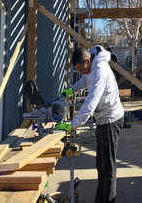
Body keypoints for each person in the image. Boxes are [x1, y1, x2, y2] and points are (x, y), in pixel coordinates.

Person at [56, 45, 124, 203]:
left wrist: (72, 125)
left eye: (81, 69)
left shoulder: (100, 71)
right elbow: (84, 80)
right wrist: (71, 90)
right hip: (103, 119)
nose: (81, 73)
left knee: (108, 169)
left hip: (111, 120)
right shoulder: (90, 66)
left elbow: (90, 104)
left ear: (87, 61)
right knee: (100, 166)